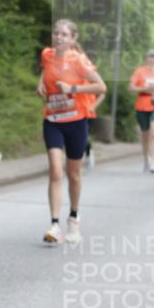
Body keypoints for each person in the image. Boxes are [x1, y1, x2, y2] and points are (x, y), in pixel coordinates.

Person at [36, 19, 107, 245]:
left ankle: (74, 217)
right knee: (56, 171)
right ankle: (54, 224)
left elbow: (101, 87)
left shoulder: (79, 61)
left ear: (72, 39)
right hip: (53, 120)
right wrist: (41, 84)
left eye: (64, 34)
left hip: (76, 122)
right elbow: (46, 71)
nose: (58, 37)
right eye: (56, 33)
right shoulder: (47, 55)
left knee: (73, 174)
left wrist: (73, 89)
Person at [129, 49, 154, 173]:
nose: (152, 59)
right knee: (145, 135)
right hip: (142, 105)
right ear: (146, 59)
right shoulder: (139, 71)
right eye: (150, 57)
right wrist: (144, 87)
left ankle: (153, 162)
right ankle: (146, 159)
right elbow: (131, 87)